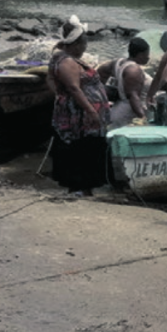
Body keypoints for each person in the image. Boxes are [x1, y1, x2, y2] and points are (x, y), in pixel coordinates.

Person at [46, 15, 112, 196]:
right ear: (76, 44)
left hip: (79, 113)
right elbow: (74, 88)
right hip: (80, 118)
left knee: (84, 149)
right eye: (84, 43)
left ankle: (84, 187)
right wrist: (90, 110)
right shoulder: (67, 61)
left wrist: (60, 95)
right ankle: (80, 187)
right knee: (82, 150)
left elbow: (50, 80)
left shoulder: (64, 58)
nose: (85, 47)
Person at [96, 37, 151, 129]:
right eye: (147, 54)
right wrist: (142, 117)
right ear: (140, 55)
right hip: (129, 113)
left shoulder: (118, 62)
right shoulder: (133, 71)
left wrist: (99, 92)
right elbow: (133, 97)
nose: (148, 57)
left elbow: (101, 72)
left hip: (118, 108)